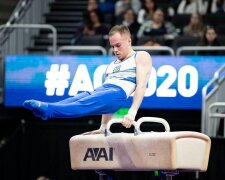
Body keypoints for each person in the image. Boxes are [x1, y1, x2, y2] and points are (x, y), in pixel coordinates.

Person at [23, 25, 152, 132]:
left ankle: (48, 111)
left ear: (129, 41)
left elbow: (141, 86)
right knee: (75, 99)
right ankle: (46, 110)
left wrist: (132, 112)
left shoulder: (141, 56)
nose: (115, 50)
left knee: (82, 105)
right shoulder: (111, 66)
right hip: (103, 91)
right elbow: (105, 106)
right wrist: (104, 127)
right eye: (112, 46)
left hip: (117, 94)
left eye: (118, 45)